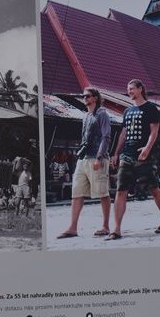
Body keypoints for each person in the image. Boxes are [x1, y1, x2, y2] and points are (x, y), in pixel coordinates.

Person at [106, 79, 160, 240]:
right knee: (121, 190)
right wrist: (116, 152)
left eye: (132, 88)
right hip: (126, 155)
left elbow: (154, 131)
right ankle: (116, 229)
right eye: (128, 89)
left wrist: (147, 148)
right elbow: (123, 133)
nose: (129, 91)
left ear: (140, 89)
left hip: (144, 155)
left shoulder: (150, 108)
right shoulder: (127, 111)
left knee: (153, 188)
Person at [58, 87, 113, 239]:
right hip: (83, 159)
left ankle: (106, 226)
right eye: (83, 96)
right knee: (77, 193)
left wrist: (99, 157)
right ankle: (73, 228)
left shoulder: (102, 114)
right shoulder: (86, 116)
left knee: (102, 192)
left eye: (88, 96)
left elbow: (106, 137)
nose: (85, 98)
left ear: (95, 98)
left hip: (97, 157)